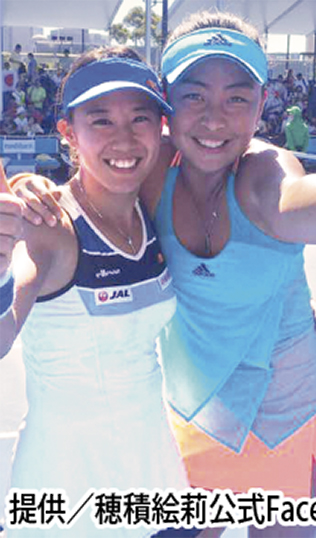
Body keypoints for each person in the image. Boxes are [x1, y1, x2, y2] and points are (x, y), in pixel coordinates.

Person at [9, 11, 316, 538]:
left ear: (262, 104)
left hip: (290, 410)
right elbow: (87, 184)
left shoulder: (265, 168)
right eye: (194, 96)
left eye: (237, 98)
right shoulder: (148, 172)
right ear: (167, 105)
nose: (215, 119)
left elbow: (288, 200)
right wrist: (31, 190)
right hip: (197, 414)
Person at [0, 46, 188, 537]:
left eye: (140, 118)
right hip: (67, 496)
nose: (124, 138)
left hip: (156, 478)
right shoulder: (50, 227)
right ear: (68, 132)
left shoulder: (152, 204)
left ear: (161, 127)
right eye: (101, 120)